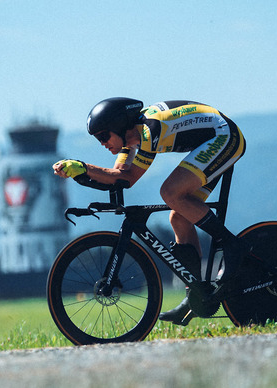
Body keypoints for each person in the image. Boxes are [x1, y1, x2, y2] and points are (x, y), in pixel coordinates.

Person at [53, 97, 250, 325]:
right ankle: (195, 294)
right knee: (179, 217)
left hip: (225, 137)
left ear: (119, 127)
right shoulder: (132, 139)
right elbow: (118, 177)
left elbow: (128, 178)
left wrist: (85, 167)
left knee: (170, 192)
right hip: (212, 141)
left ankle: (232, 244)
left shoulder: (149, 131)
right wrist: (81, 173)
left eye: (103, 136)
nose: (102, 143)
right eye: (97, 139)